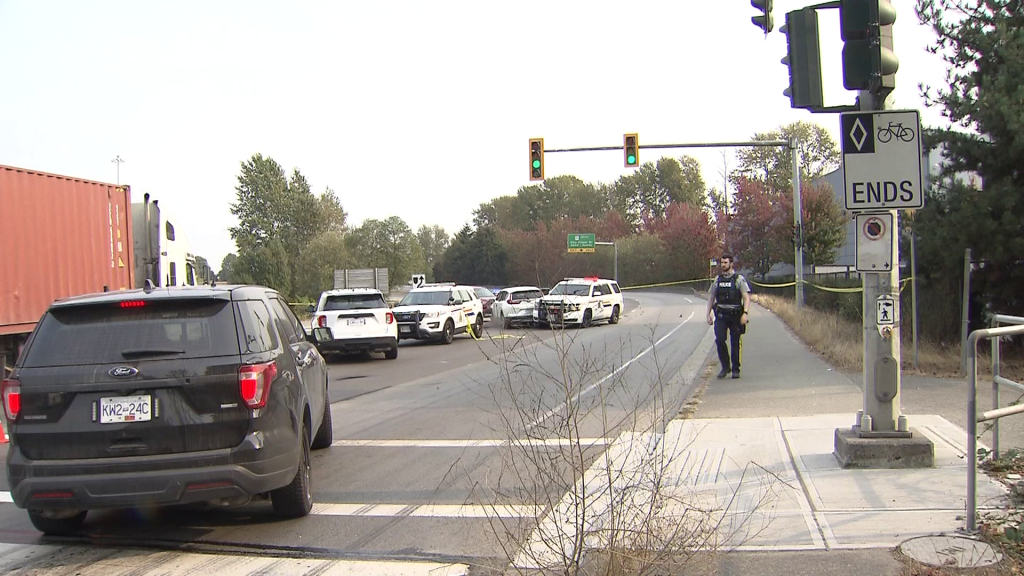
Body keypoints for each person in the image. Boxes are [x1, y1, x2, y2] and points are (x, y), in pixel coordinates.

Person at [705, 254, 751, 379]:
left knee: (735, 342)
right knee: (720, 340)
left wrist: (745, 314)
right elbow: (711, 298)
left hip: (735, 316)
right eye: (722, 262)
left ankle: (736, 368)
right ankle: (725, 367)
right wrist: (708, 314)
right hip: (721, 315)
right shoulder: (717, 280)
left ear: (731, 264)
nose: (723, 265)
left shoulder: (738, 279)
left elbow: (746, 298)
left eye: (725, 262)